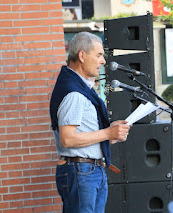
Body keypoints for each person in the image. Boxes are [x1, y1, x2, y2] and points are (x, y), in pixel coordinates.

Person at [49, 32, 131, 212]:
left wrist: (111, 134)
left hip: (88, 171)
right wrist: (108, 133)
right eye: (99, 55)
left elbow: (82, 135)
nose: (103, 61)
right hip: (81, 172)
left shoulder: (79, 88)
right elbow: (68, 139)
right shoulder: (73, 93)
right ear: (82, 55)